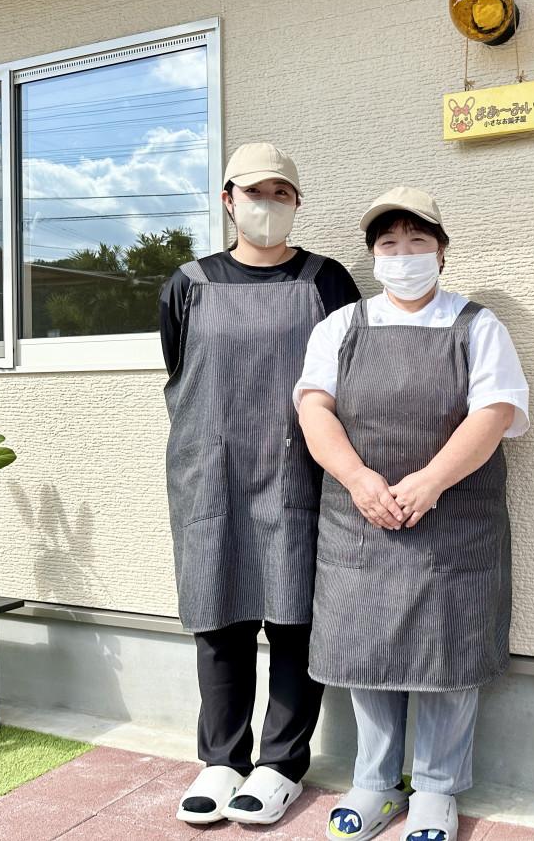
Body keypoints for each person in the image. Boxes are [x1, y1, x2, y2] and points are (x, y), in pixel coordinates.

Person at [295, 186, 529, 841]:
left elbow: (495, 414)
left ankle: (436, 791)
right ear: (373, 257)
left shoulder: (478, 325)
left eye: (417, 243)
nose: (403, 256)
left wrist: (430, 481)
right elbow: (314, 409)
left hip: (454, 520)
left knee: (449, 651)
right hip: (359, 516)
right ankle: (374, 783)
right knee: (366, 650)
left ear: (442, 253)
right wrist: (358, 479)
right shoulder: (340, 327)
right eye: (389, 244)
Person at [160, 142, 361, 825]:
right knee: (220, 614)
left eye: (281, 193)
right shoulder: (188, 283)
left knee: (293, 616)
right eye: (254, 192)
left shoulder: (325, 281)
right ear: (227, 201)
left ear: (297, 203)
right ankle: (221, 759)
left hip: (297, 469)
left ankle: (280, 763)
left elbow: (350, 377)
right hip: (210, 473)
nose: (267, 205)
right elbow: (178, 370)